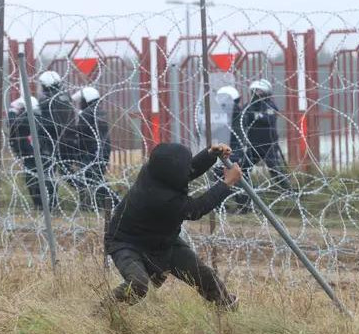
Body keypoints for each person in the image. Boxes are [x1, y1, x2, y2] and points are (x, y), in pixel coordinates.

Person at [104, 143, 241, 310]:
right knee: (138, 284)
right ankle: (105, 310)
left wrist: (210, 154)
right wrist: (227, 183)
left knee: (204, 276)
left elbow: (186, 171)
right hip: (126, 242)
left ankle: (228, 309)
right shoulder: (162, 198)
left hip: (162, 241)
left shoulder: (153, 171)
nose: (189, 168)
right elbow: (196, 210)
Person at [234, 79, 291, 211]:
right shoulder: (249, 106)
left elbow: (267, 119)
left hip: (269, 146)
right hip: (253, 146)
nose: (256, 94)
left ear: (266, 93)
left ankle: (290, 196)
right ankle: (246, 200)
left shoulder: (270, 106)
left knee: (276, 171)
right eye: (254, 91)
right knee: (242, 170)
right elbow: (242, 119)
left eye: (259, 91)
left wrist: (254, 115)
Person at [71, 86, 118, 210]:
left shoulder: (86, 114)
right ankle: (108, 203)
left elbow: (81, 136)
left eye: (81, 100)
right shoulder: (99, 111)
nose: (80, 103)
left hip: (93, 151)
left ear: (86, 100)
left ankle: (112, 203)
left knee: (87, 179)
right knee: (94, 178)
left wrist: (76, 153)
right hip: (103, 150)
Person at [37, 70, 78, 209]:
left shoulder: (45, 101)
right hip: (68, 140)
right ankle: (88, 193)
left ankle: (50, 204)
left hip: (51, 142)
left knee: (48, 173)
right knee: (67, 172)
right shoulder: (65, 97)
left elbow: (47, 124)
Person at [8, 96, 43, 210]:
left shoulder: (28, 119)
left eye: (22, 109)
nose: (21, 112)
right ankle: (41, 205)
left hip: (31, 155)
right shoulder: (37, 117)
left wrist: (13, 111)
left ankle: (39, 205)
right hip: (34, 153)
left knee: (32, 179)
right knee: (36, 179)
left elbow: (12, 123)